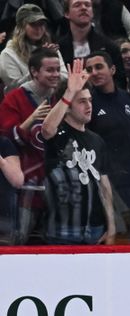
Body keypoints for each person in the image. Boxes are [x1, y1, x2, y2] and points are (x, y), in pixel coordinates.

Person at [40, 59, 115, 244]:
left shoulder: (97, 140)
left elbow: (104, 185)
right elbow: (47, 129)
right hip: (62, 230)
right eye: (82, 101)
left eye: (90, 100)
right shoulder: (59, 134)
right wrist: (69, 92)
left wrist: (112, 226)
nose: (89, 106)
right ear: (67, 107)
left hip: (95, 230)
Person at [0, 47, 61, 244]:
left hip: (53, 187)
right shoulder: (14, 99)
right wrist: (31, 119)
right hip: (24, 189)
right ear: (34, 72)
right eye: (49, 70)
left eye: (57, 69)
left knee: (52, 245)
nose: (55, 75)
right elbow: (7, 141)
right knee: (18, 243)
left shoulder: (57, 99)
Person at [86, 50, 130, 239]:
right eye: (89, 69)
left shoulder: (129, 99)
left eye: (99, 67)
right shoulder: (87, 103)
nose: (94, 72)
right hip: (104, 182)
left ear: (113, 69)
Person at [0, 3, 67, 93]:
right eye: (33, 24)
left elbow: (65, 79)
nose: (38, 28)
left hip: (53, 100)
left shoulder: (50, 49)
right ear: (21, 27)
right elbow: (15, 89)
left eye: (41, 24)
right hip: (23, 104)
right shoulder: (8, 54)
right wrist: (38, 61)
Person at [57, 0, 125, 88]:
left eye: (87, 5)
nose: (83, 8)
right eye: (77, 5)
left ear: (92, 13)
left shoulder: (110, 47)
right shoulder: (59, 48)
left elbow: (120, 82)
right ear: (67, 13)